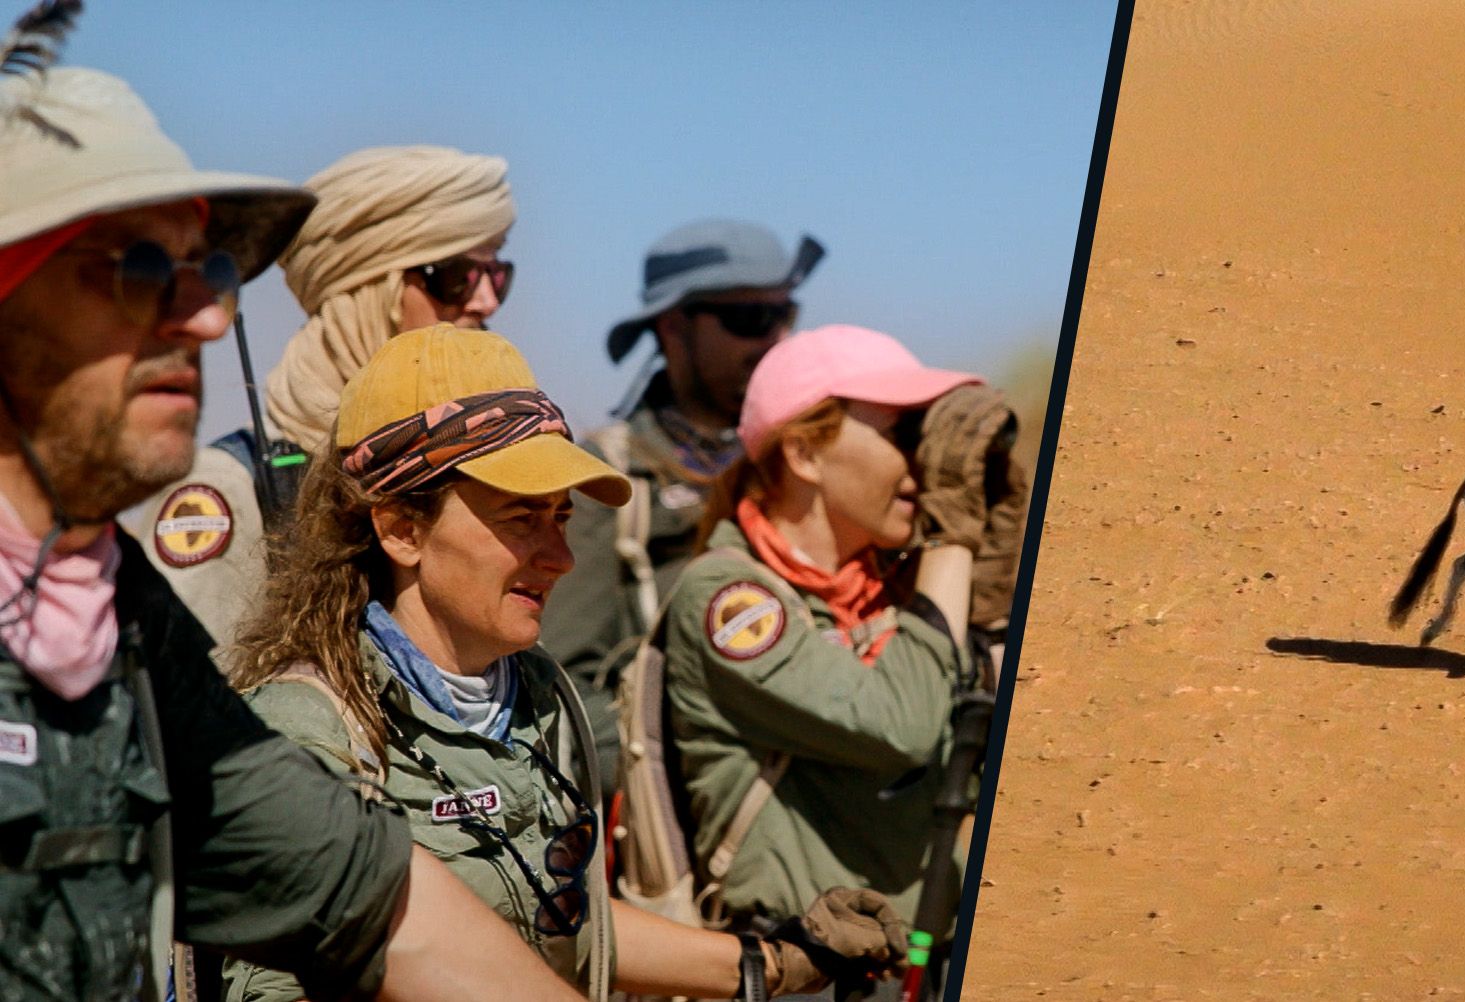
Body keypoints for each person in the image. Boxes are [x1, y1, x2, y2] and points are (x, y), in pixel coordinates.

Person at [0, 44, 591, 1001]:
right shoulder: (231, 491)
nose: (202, 314)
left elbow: (366, 897)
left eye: (210, 269)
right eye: (142, 268)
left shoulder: (114, 612)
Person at [219, 324, 906, 1001]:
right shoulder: (309, 732)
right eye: (521, 518)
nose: (562, 558)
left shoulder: (537, 689)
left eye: (562, 516)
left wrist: (778, 962)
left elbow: (572, 923)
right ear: (402, 530)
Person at [637, 324, 1021, 936]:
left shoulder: (901, 587)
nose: (925, 461)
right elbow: (900, 727)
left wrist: (995, 596)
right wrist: (952, 537)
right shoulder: (729, 602)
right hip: (798, 968)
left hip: (919, 953)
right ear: (804, 454)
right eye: (904, 432)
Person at [138, 144, 515, 645]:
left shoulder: (482, 465)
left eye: (496, 275)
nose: (485, 301)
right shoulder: (232, 488)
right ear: (370, 291)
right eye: (456, 277)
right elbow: (197, 706)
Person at [538, 218, 821, 796]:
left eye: (784, 315)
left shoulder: (805, 461)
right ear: (673, 327)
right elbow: (561, 687)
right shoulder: (608, 478)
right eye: (749, 320)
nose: (774, 340)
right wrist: (692, 762)